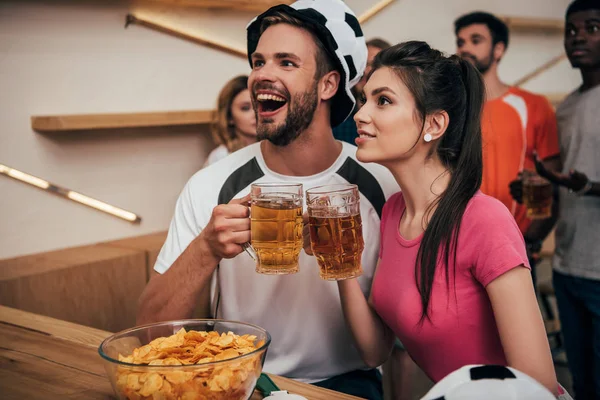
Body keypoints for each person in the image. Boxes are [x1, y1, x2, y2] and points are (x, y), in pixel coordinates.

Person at [136, 1, 398, 398]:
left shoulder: (381, 184)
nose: (262, 75)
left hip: (347, 384)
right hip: (242, 381)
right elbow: (150, 331)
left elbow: (390, 343)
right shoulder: (212, 184)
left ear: (328, 85)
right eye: (258, 62)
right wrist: (206, 247)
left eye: (286, 63)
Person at [319, 40, 560, 396]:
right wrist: (338, 262)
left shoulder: (484, 220)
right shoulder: (393, 212)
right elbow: (375, 352)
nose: (361, 113)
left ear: (434, 123)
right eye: (364, 99)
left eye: (383, 100)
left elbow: (536, 386)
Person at [517, 1, 600, 398]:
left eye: (592, 28)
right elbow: (562, 184)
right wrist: (539, 189)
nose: (578, 37)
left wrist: (586, 186)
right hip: (568, 267)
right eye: (571, 30)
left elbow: (579, 182)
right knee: (580, 383)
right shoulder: (565, 107)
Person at [454, 12, 561, 286]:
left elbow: (552, 186)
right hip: (458, 247)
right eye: (461, 41)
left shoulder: (534, 106)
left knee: (519, 329)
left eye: (476, 40)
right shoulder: (451, 111)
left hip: (515, 250)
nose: (465, 47)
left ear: (498, 49)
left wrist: (531, 241)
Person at [333, 38, 391, 145]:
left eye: (374, 65)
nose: (365, 70)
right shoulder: (337, 119)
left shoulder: (392, 123)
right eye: (363, 64)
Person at [204, 75, 257, 167]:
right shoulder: (221, 156)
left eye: (259, 106)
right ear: (229, 117)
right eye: (245, 108)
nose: (256, 114)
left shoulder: (278, 151)